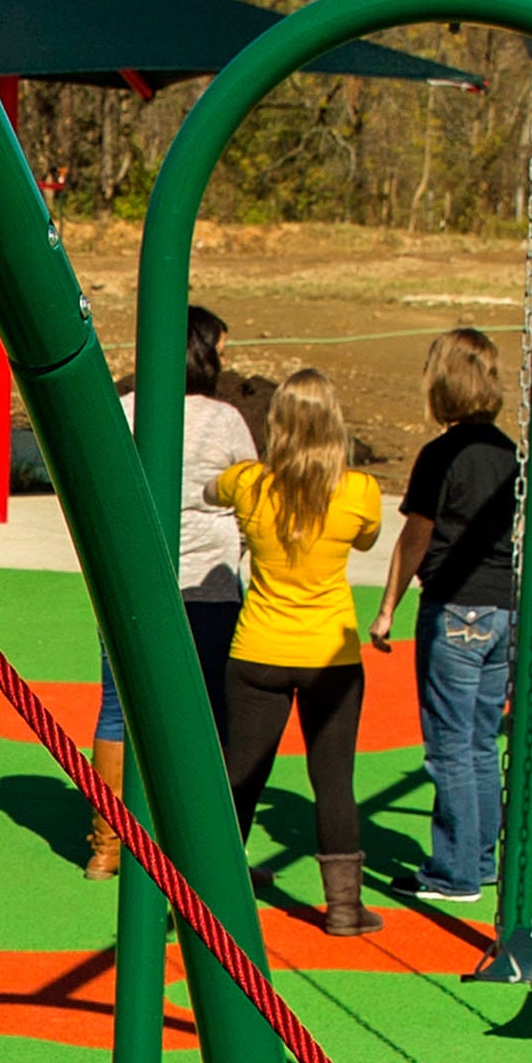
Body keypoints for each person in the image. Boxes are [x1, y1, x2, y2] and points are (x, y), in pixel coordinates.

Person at [208, 368, 388, 934]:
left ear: (277, 425)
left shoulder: (250, 483)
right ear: (333, 425)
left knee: (241, 773)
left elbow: (213, 489)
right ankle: (342, 908)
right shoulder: (358, 491)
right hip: (329, 655)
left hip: (259, 646)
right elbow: (367, 537)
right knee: (333, 779)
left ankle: (216, 891)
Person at [89, 307, 256, 878]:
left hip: (131, 583)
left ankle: (108, 845)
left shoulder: (123, 409)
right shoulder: (224, 420)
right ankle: (204, 852)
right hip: (205, 585)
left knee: (119, 711)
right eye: (222, 350)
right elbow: (251, 494)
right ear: (203, 352)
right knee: (206, 715)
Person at [369, 329, 524, 907]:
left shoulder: (442, 456)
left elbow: (416, 536)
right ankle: (479, 858)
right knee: (481, 740)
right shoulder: (511, 453)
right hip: (501, 604)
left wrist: (388, 608)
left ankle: (454, 871)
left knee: (448, 745)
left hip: (455, 607)